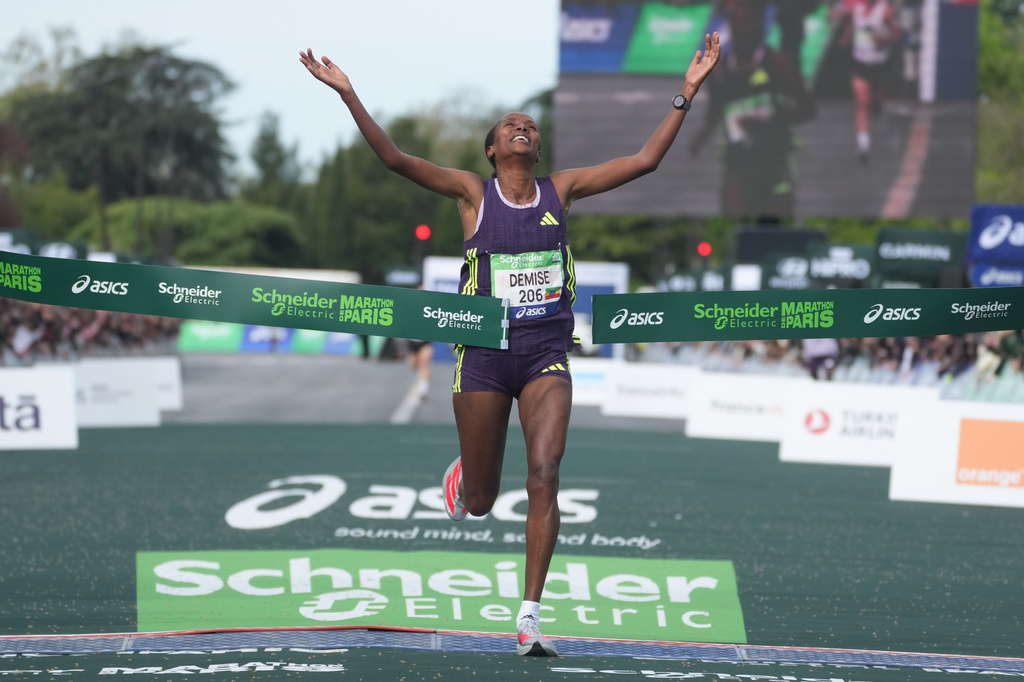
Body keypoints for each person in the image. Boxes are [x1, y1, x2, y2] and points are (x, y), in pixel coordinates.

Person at [300, 34, 720, 656]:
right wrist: (349, 94)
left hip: (548, 348)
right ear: (493, 149)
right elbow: (394, 160)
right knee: (481, 501)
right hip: (485, 354)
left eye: (529, 124)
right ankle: (467, 473)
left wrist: (689, 89)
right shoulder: (473, 193)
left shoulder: (564, 189)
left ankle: (528, 617)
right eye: (509, 126)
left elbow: (644, 161)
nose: (521, 127)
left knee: (546, 475)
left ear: (538, 146)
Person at [690, 0, 813, 219]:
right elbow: (715, 110)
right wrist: (702, 135)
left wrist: (768, 121)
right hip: (737, 160)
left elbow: (807, 109)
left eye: (747, 22)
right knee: (733, 220)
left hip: (775, 159)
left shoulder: (776, 62)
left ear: (759, 25)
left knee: (773, 229)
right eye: (736, 22)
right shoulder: (719, 70)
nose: (741, 29)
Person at [839, 0, 901, 162]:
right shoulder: (857, 10)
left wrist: (882, 38)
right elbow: (850, 28)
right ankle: (863, 146)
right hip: (860, 64)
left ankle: (877, 107)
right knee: (862, 103)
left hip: (880, 65)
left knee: (876, 106)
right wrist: (846, 38)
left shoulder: (885, 10)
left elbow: (897, 34)